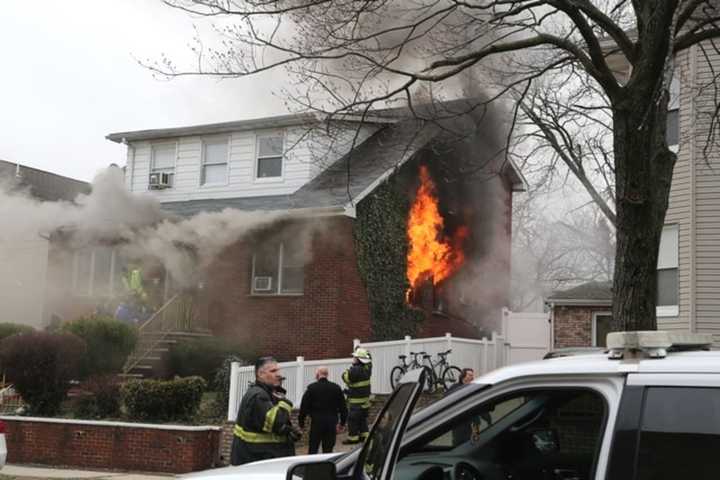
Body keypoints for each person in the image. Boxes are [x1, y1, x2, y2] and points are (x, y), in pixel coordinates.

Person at [230, 356, 302, 466]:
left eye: (278, 370)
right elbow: (275, 421)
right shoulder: (258, 396)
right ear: (260, 374)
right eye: (273, 371)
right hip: (258, 462)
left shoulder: (265, 393)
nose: (279, 374)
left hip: (261, 460)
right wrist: (285, 403)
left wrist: (287, 432)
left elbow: (265, 427)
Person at [299, 367, 348, 454]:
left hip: (316, 423)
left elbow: (303, 407)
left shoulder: (311, 388)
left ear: (317, 375)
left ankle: (311, 466)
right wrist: (342, 423)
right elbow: (343, 408)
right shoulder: (336, 388)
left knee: (313, 448)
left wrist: (301, 423)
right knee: (328, 450)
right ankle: (326, 467)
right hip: (331, 423)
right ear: (327, 375)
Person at [342, 347, 372, 445]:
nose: (353, 359)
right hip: (365, 401)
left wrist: (346, 372)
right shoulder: (368, 367)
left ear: (359, 359)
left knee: (352, 420)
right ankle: (364, 435)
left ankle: (353, 438)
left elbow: (346, 378)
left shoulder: (355, 370)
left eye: (355, 357)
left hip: (356, 402)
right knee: (362, 419)